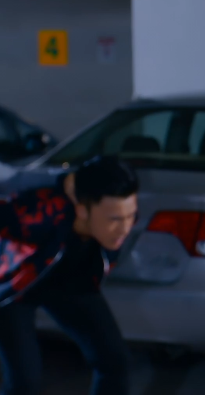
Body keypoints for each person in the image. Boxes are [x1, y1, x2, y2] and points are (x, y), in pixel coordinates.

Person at [0, 156, 138, 395]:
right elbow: (11, 180)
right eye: (114, 219)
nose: (125, 228)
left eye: (131, 216)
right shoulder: (37, 212)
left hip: (70, 283)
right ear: (82, 209)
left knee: (115, 363)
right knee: (25, 382)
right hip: (15, 290)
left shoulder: (119, 209)